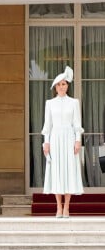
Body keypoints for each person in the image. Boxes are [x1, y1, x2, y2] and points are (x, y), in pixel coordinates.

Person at [42, 66, 84, 218]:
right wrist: (46, 142)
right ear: (55, 87)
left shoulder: (74, 102)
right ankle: (58, 206)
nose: (62, 87)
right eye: (59, 84)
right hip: (55, 139)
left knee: (69, 171)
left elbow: (77, 124)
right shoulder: (50, 103)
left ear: (67, 86)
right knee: (57, 172)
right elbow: (47, 125)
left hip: (69, 139)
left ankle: (67, 207)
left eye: (64, 84)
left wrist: (78, 140)